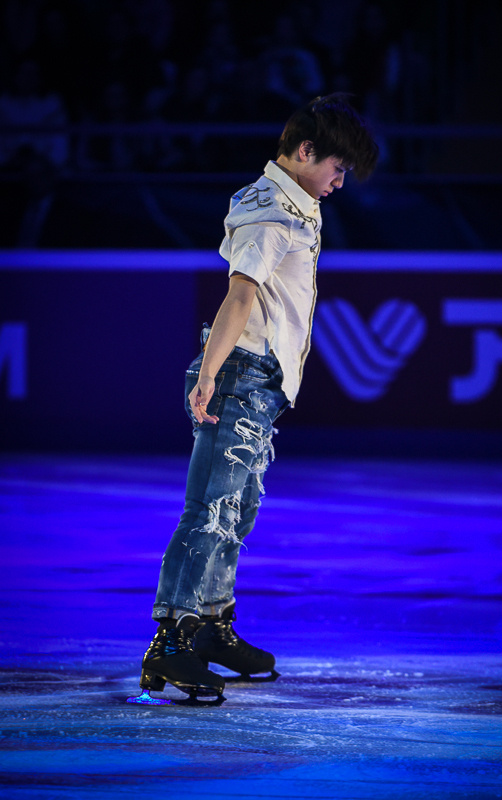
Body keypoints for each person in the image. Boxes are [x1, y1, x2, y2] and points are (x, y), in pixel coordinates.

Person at [134, 94, 378, 703]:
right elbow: (241, 295)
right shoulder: (273, 210)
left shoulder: (293, 199)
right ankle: (172, 638)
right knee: (209, 510)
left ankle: (213, 627)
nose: (339, 183)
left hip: (260, 381)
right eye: (336, 169)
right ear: (304, 152)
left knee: (236, 513)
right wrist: (210, 373)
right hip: (240, 373)